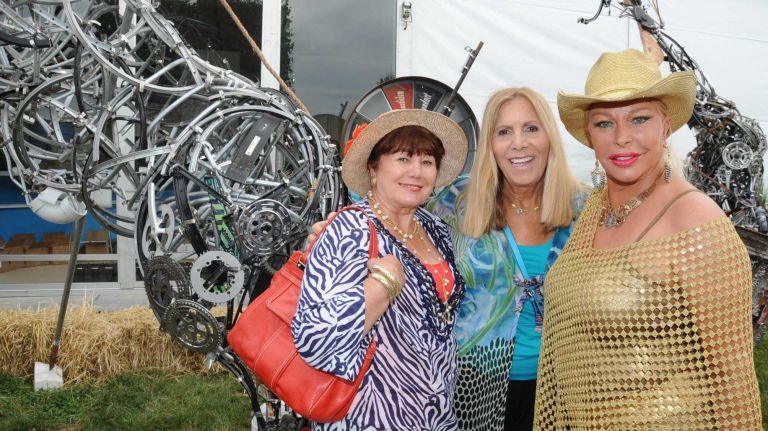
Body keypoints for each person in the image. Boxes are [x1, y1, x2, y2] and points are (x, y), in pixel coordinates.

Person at [533, 48, 762, 430]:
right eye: (604, 123)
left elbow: (733, 381)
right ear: (588, 134)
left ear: (665, 125)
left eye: (639, 119)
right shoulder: (595, 211)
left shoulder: (695, 221)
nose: (622, 138)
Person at [292, 109, 468, 430]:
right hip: (369, 415)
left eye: (427, 162)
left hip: (436, 413)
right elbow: (314, 340)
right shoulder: (350, 229)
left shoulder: (436, 230)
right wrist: (382, 285)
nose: (416, 171)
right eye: (403, 158)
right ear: (374, 168)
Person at [426, 88, 585, 431]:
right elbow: (401, 228)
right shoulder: (456, 202)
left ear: (549, 137)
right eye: (503, 132)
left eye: (531, 128)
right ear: (490, 146)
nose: (518, 143)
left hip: (561, 391)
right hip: (473, 386)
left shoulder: (585, 209)